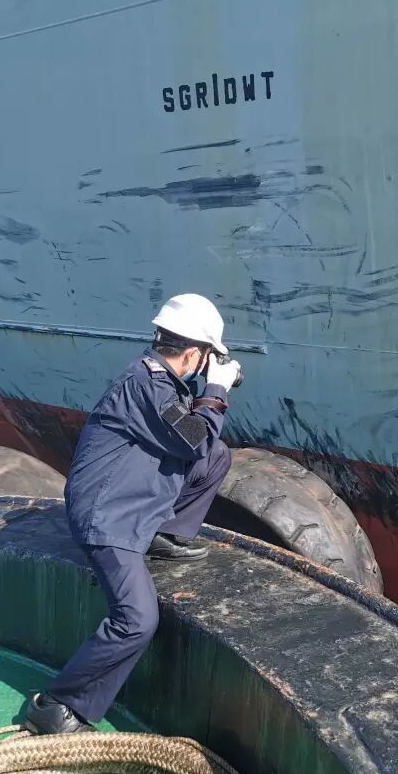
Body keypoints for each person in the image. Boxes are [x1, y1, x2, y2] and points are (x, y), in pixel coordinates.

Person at [23, 293, 242, 734]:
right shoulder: (147, 386)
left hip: (129, 505)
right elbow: (194, 438)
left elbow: (199, 446)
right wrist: (217, 389)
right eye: (207, 357)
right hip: (108, 518)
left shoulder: (156, 381)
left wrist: (210, 391)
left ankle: (164, 534)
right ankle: (58, 705)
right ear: (194, 354)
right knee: (137, 619)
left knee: (217, 456)